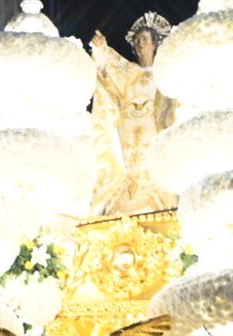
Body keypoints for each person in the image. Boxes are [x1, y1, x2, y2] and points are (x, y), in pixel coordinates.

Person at [89, 12, 178, 216]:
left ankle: (160, 209)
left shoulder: (166, 74)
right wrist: (102, 50)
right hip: (127, 137)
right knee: (125, 169)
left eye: (145, 39)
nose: (140, 44)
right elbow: (109, 72)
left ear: (156, 43)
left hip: (154, 135)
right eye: (137, 40)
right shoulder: (128, 73)